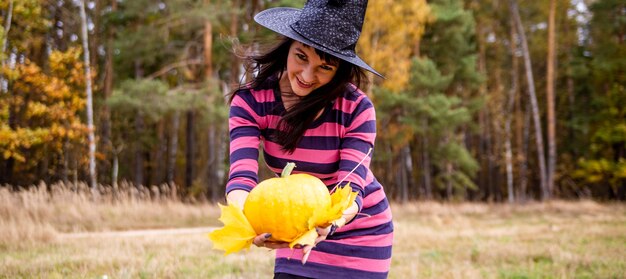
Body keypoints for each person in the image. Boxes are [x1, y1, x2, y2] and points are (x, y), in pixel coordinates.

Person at [225, 1, 393, 278]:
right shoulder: (251, 102)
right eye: (301, 57)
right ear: (287, 47)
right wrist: (249, 222)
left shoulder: (356, 109)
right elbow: (241, 178)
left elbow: (349, 189)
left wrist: (329, 225)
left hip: (360, 231)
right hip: (295, 224)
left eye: (324, 67)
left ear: (339, 70)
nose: (306, 76)